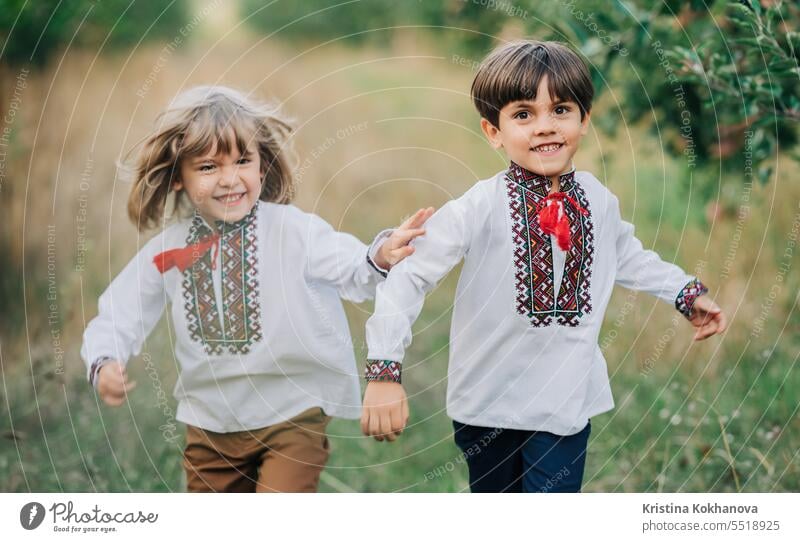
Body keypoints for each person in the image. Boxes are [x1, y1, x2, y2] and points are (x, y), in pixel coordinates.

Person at [360, 41, 727, 492]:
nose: (545, 127)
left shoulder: (597, 201)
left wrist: (684, 293)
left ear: (584, 119)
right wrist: (384, 370)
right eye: (522, 114)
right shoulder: (480, 206)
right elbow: (410, 275)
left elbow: (627, 255)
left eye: (560, 109)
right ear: (492, 131)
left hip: (564, 399)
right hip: (486, 401)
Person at [81, 85, 434, 492]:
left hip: (294, 410)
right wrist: (104, 359)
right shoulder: (169, 252)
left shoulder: (293, 231)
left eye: (243, 161)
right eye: (209, 167)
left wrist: (382, 253)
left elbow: (354, 267)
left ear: (261, 167)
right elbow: (121, 311)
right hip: (210, 423)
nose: (230, 179)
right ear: (178, 177)